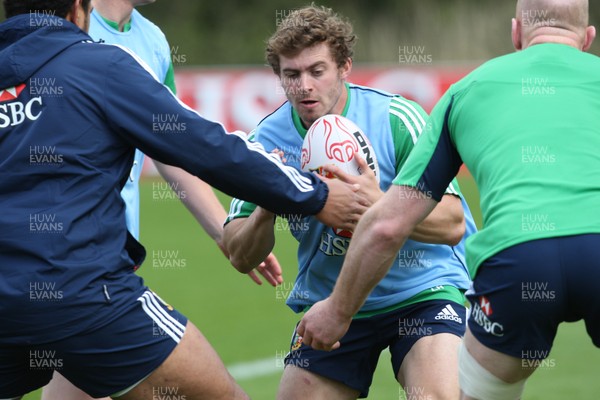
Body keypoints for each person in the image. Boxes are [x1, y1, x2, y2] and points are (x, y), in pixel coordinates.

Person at [0, 1, 370, 398]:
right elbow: (207, 146)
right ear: (77, 9)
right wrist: (314, 195)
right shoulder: (99, 64)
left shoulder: (140, 43)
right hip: (87, 298)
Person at [298, 0, 600, 399]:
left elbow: (389, 225)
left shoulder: (467, 91)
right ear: (588, 38)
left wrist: (338, 311)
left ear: (515, 33)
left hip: (518, 260)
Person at [222, 6, 476, 399]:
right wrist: (268, 201)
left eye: (316, 71)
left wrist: (384, 205)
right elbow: (239, 253)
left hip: (422, 292)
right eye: (291, 74)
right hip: (332, 301)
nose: (304, 86)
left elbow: (452, 223)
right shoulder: (264, 143)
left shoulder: (396, 118)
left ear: (344, 67)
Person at [40, 0, 282, 398]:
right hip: (77, 268)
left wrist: (225, 233)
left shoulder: (153, 40)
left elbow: (169, 149)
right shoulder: (70, 25)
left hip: (104, 266)